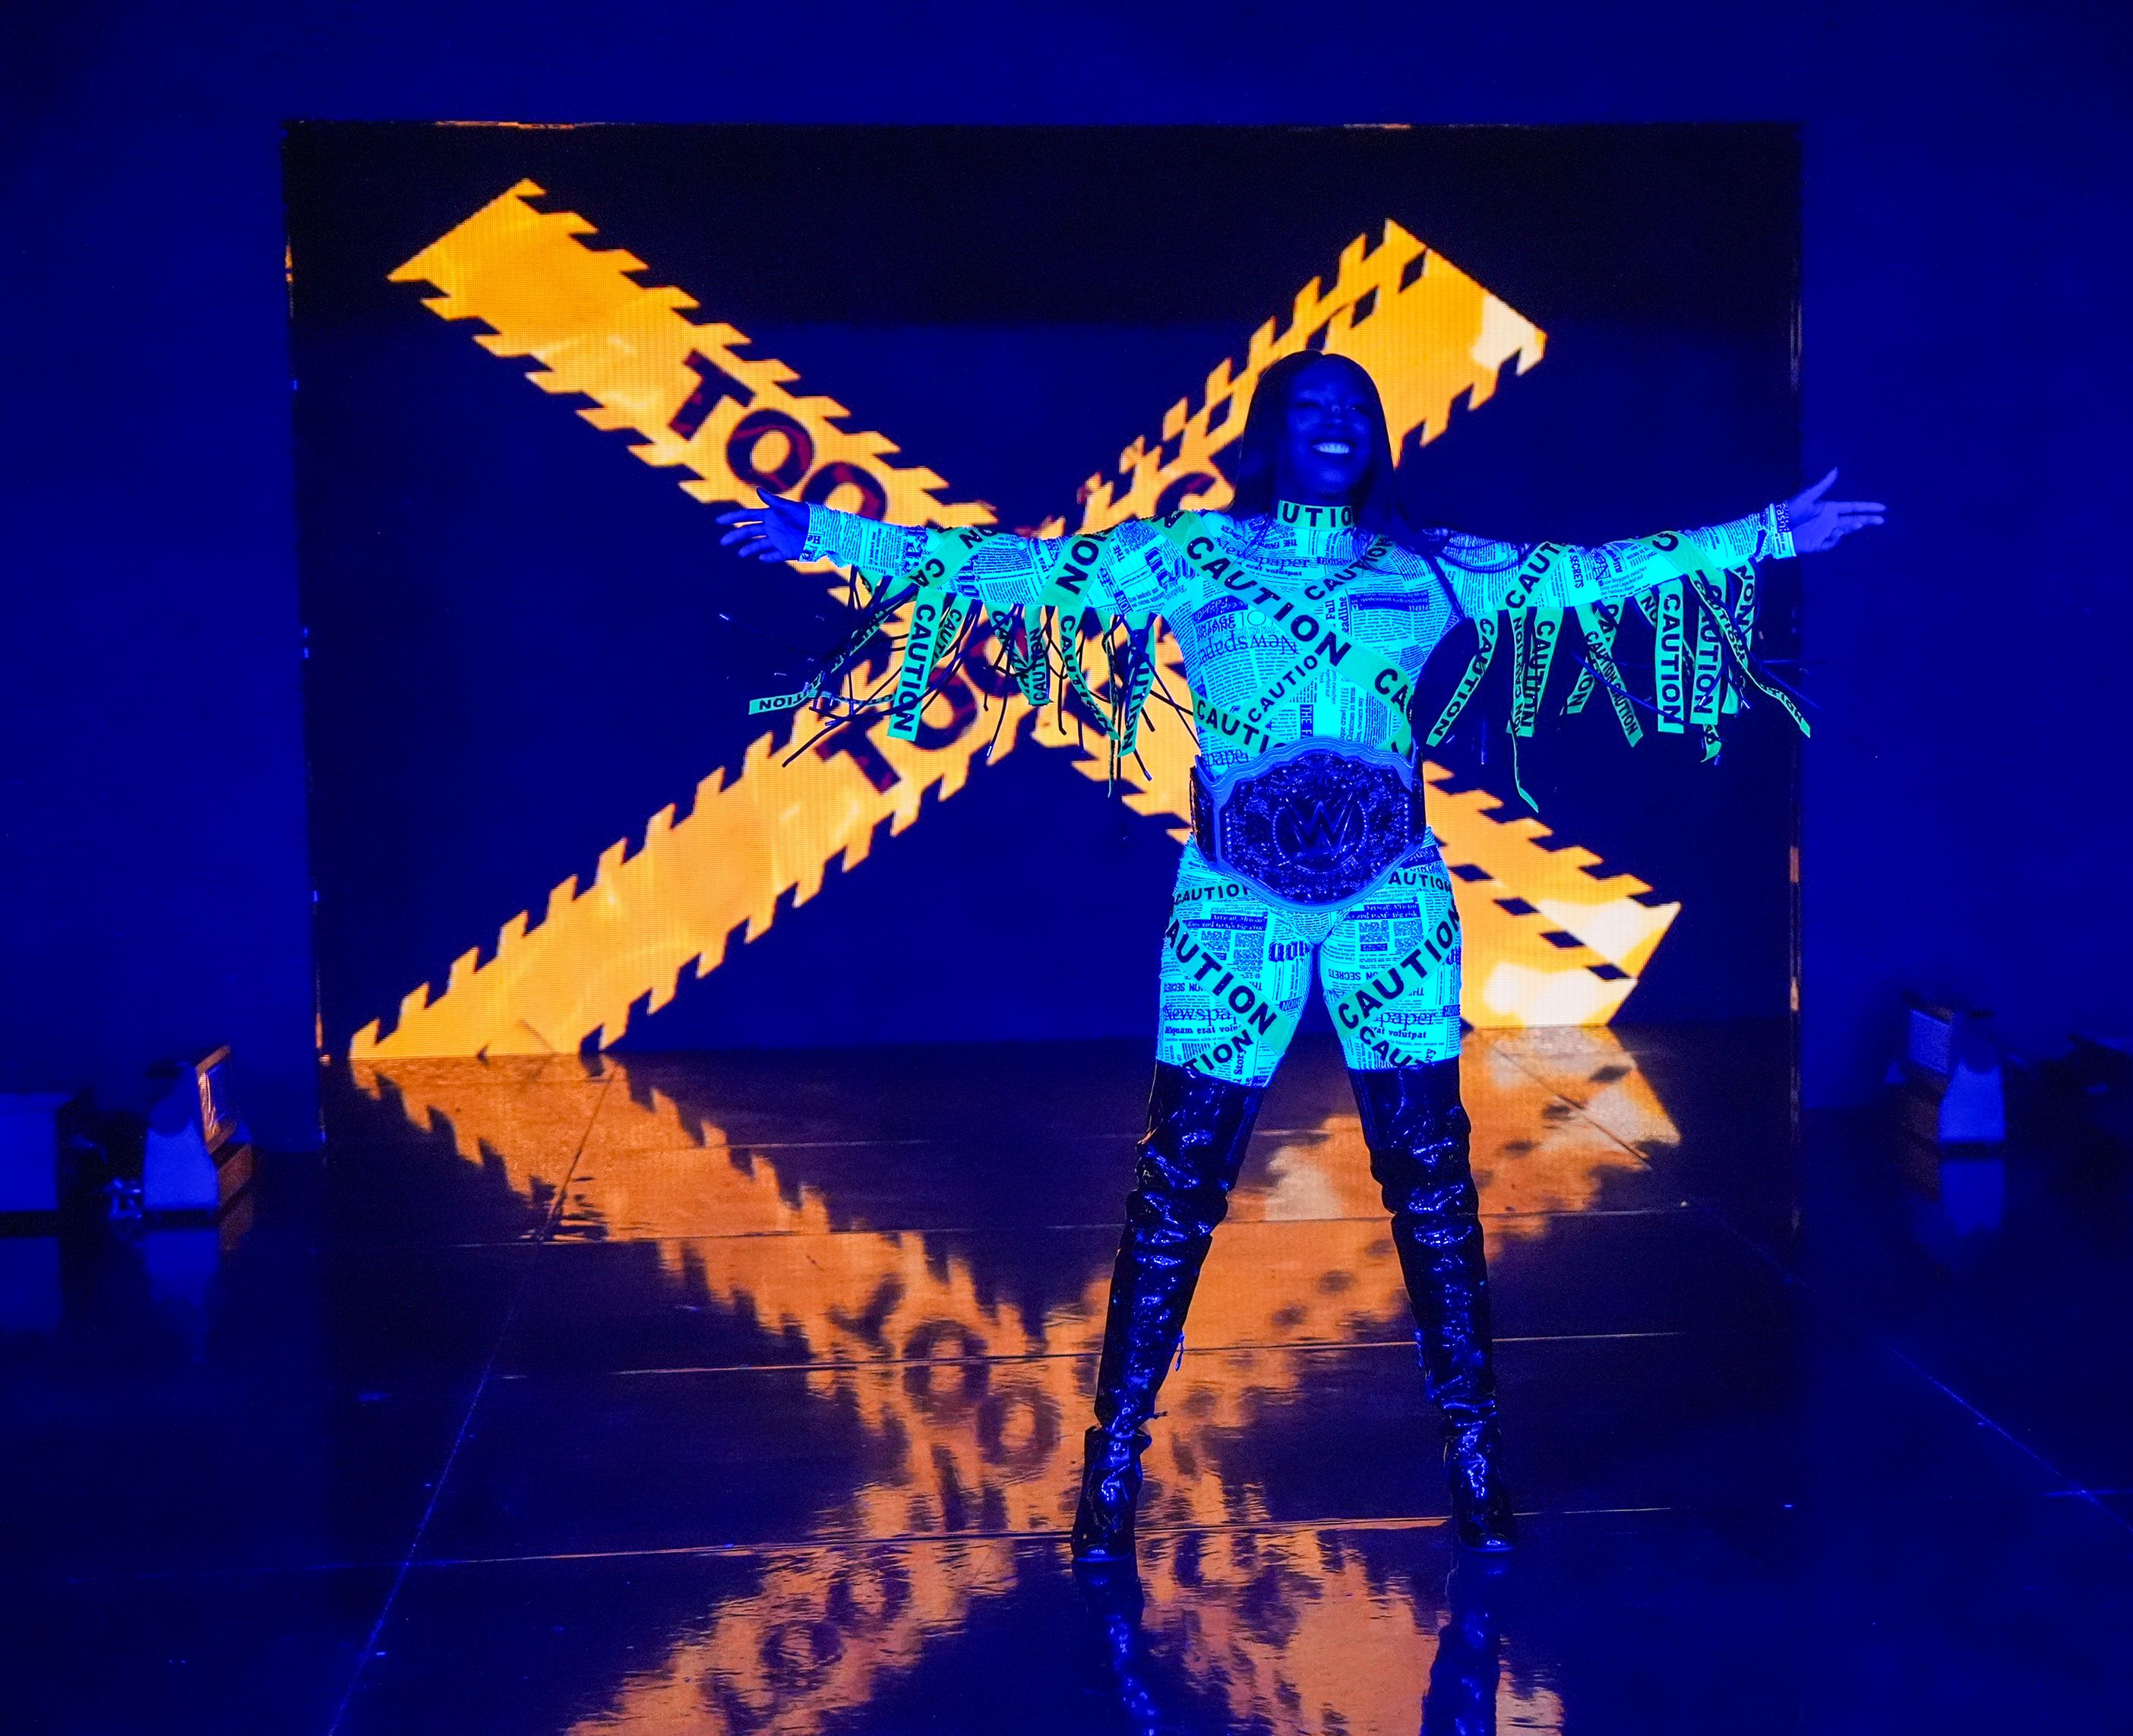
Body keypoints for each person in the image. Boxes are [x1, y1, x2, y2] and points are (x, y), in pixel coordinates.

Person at [718, 352, 1883, 1562]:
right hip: (1234, 908)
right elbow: (1025, 569)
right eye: (1312, 406)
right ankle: (1111, 1464)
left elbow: (1586, 573)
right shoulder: (1191, 554)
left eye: (1358, 405)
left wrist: (1769, 535)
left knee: (1433, 1188)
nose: (1338, 422)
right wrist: (828, 532)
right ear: (1269, 432)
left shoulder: (1423, 565)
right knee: (1177, 1189)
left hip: (1396, 907)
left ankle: (1477, 1458)